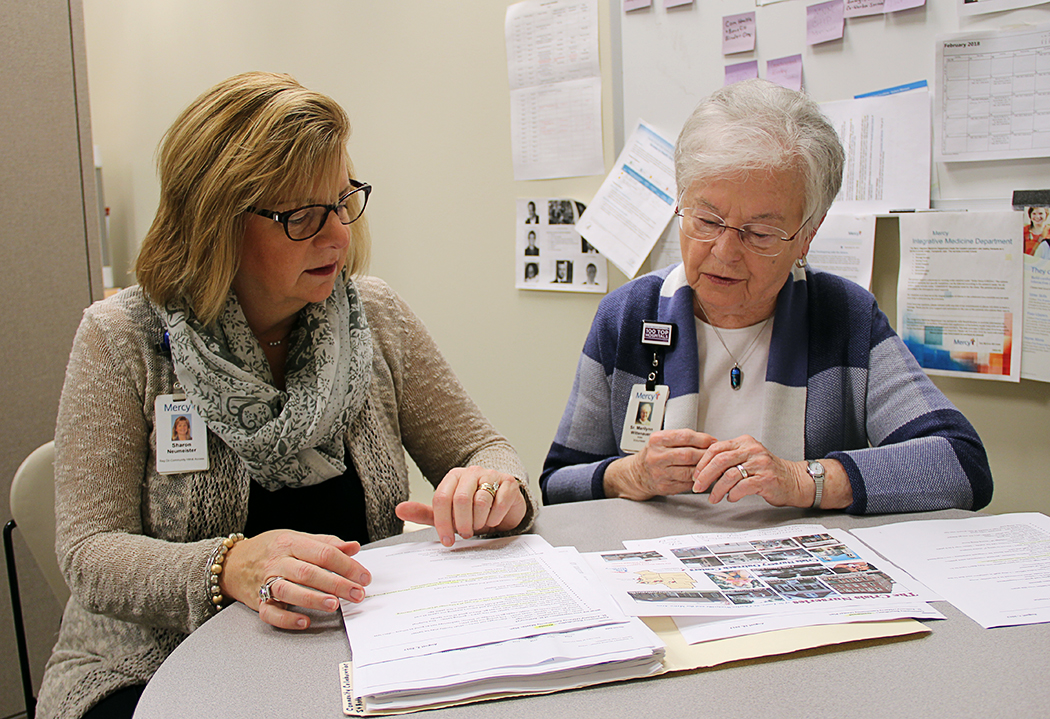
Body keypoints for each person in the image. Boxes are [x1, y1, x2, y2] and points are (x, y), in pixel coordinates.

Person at [38, 72, 535, 719]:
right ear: (217, 223)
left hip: (357, 653)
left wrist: (494, 487)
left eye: (343, 201)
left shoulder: (375, 316)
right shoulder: (123, 337)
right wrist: (226, 566)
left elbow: (481, 446)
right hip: (150, 665)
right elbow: (88, 552)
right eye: (302, 216)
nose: (338, 237)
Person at [541, 79, 991, 515]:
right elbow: (557, 485)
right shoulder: (628, 316)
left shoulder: (845, 316)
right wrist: (630, 475)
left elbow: (961, 465)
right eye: (706, 220)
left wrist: (803, 480)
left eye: (760, 233)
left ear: (806, 238)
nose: (724, 252)